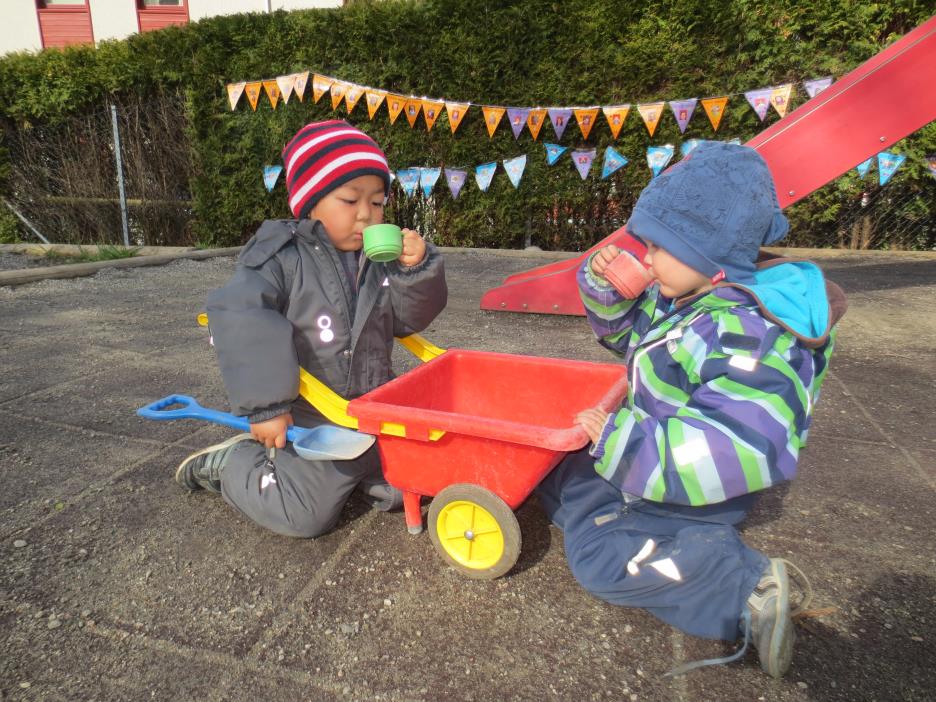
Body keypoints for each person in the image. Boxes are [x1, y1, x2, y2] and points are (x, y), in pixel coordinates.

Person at [536, 142, 847, 678]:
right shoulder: (693, 296)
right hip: (654, 450)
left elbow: (739, 445)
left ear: (708, 253)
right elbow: (635, 343)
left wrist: (624, 445)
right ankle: (619, 513)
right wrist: (608, 292)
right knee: (554, 473)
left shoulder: (751, 336)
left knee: (599, 562)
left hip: (693, 484)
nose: (647, 257)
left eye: (658, 246)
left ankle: (741, 588)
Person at [175, 120, 447, 538]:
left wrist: (417, 271)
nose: (365, 215)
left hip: (373, 408)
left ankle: (352, 476)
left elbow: (408, 320)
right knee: (304, 516)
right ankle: (234, 465)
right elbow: (241, 315)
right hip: (309, 415)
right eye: (349, 200)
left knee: (414, 487)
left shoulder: (379, 259)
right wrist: (267, 407)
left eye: (377, 202)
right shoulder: (280, 257)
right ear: (310, 202)